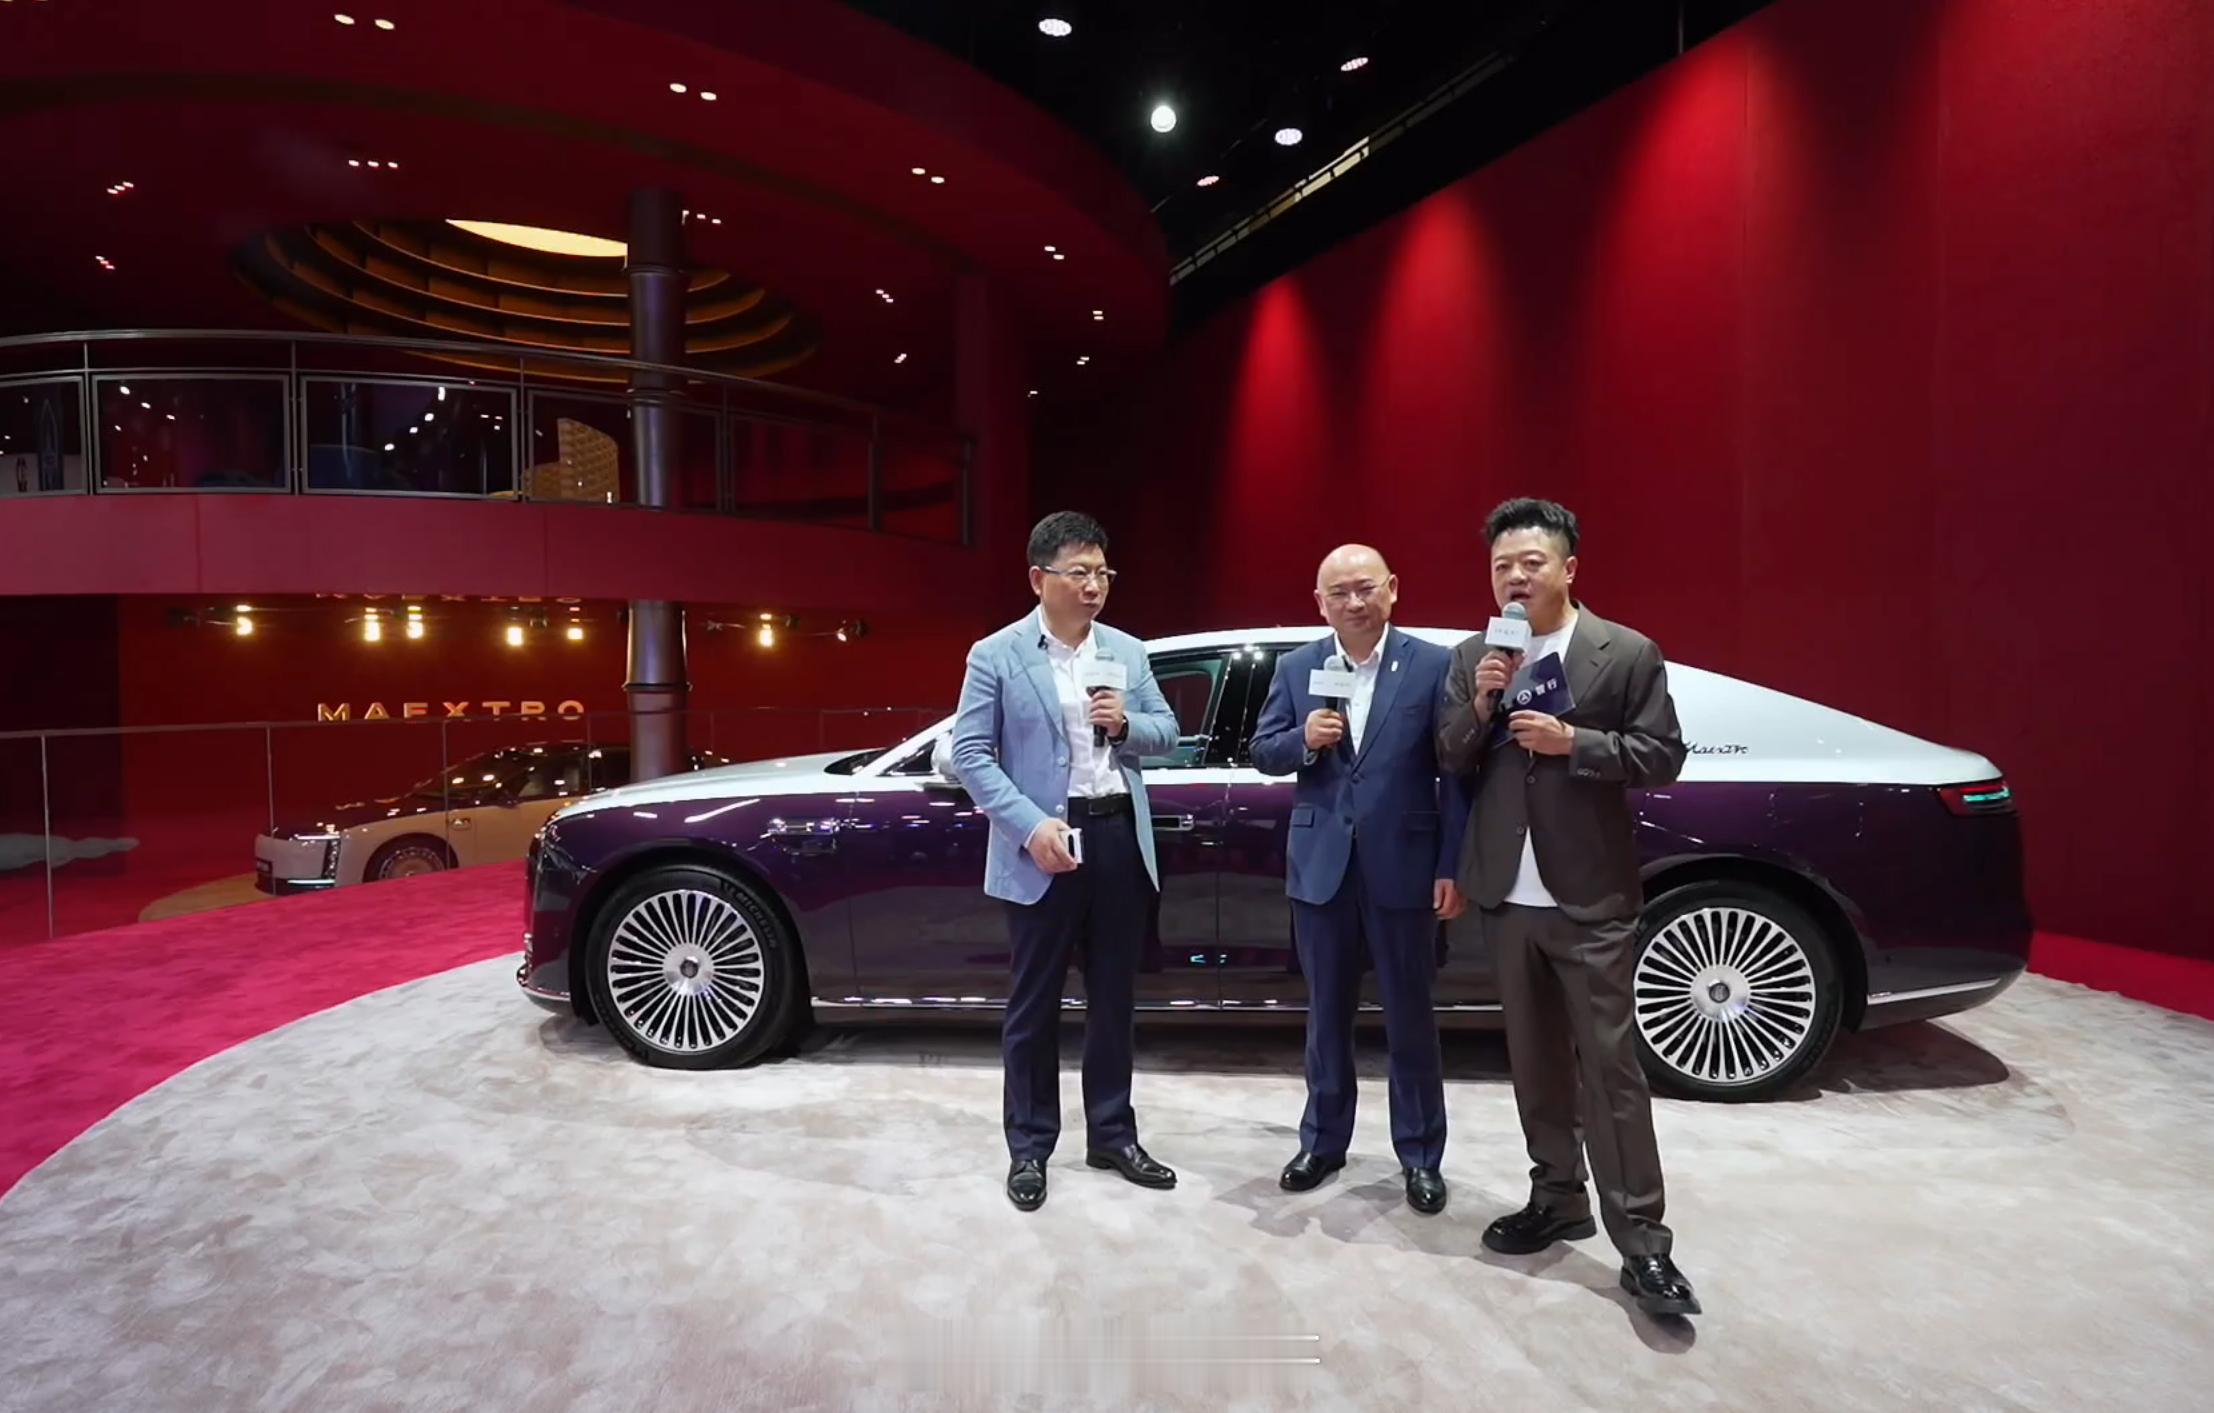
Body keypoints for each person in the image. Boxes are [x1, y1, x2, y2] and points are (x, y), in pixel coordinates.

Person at [1436, 497, 1701, 1317]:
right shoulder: (1476, 655)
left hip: (1590, 898)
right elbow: (1449, 754)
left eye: (1531, 562)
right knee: (1536, 1062)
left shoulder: (1625, 652)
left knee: (1612, 1070)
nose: (1515, 577)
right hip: (1506, 897)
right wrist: (1484, 704)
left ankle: (1645, 1245)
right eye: (1502, 565)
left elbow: (1662, 754)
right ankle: (1557, 1196)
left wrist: (1574, 743)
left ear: (1568, 568)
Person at [949, 510, 1183, 1212]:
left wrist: (1125, 724)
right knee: (1035, 1003)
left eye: (1103, 573)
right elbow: (971, 754)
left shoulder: (1128, 652)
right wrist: (1029, 827)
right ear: (1038, 578)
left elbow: (1168, 732)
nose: (1094, 586)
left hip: (1116, 837)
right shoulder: (996, 654)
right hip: (1043, 840)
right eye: (1079, 572)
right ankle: (1029, 1145)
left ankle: (1112, 1134)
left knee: (1114, 1000)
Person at [1248, 545, 1470, 1213]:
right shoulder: (1298, 667)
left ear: (1392, 589)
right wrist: (1304, 739)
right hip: (1322, 870)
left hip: (1405, 866)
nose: (1353, 602)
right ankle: (1322, 1142)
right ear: (1320, 603)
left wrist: (1450, 865)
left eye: (1365, 588)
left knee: (1411, 1017)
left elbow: (1456, 772)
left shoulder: (1433, 664)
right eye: (1339, 592)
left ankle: (1421, 1155)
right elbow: (1264, 750)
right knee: (1326, 1017)